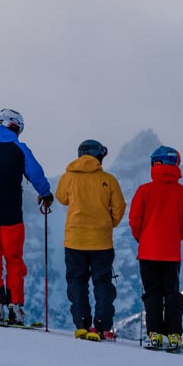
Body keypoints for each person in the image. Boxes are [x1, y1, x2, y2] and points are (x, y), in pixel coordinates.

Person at [0, 108, 54, 325]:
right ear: (15, 126)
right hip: (11, 215)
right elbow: (35, 174)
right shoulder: (19, 148)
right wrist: (45, 194)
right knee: (13, 260)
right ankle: (15, 306)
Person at [55, 139, 126, 341]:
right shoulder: (109, 180)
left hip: (74, 240)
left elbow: (61, 198)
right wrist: (108, 223)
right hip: (101, 241)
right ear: (99, 156)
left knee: (77, 283)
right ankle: (102, 327)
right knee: (102, 283)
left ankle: (82, 325)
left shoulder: (68, 177)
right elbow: (120, 208)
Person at [129, 145, 183, 351]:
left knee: (152, 293)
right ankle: (174, 334)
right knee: (171, 293)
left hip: (148, 251)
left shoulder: (144, 191)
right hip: (172, 252)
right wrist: (173, 238)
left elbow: (134, 220)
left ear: (155, 164)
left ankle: (155, 334)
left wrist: (144, 238)